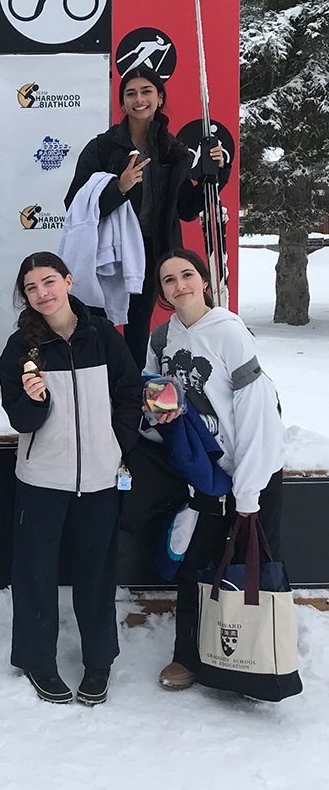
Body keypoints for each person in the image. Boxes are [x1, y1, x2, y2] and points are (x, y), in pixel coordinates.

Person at [124, 249, 284, 691]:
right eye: (169, 280)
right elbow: (152, 400)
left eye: (187, 275)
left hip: (252, 471)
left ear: (205, 280)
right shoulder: (161, 337)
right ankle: (190, 657)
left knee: (248, 570)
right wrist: (158, 413)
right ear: (161, 292)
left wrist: (248, 492)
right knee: (199, 566)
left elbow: (255, 414)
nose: (180, 286)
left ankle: (255, 662)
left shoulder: (230, 332)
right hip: (204, 473)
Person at [0, 252, 141, 706]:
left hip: (99, 478)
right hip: (41, 479)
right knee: (35, 572)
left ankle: (99, 662)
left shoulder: (102, 335)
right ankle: (38, 660)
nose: (42, 293)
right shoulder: (21, 347)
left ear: (68, 281)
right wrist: (34, 401)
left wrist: (116, 445)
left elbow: (130, 391)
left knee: (95, 573)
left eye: (49, 282)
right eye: (32, 287)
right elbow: (21, 420)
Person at [64, 64, 229, 368]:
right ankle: (100, 394)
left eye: (146, 91)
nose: (139, 99)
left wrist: (215, 173)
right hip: (108, 255)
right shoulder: (101, 148)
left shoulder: (172, 151)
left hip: (151, 254)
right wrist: (120, 188)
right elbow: (74, 207)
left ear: (160, 98)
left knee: (138, 335)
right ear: (122, 103)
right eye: (131, 93)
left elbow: (187, 210)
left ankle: (131, 398)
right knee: (99, 330)